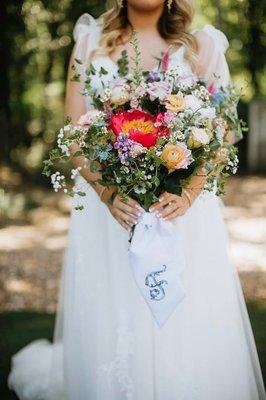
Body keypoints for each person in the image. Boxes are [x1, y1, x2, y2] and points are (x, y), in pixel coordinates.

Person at [8, 1, 266, 399]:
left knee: (185, 315)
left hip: (182, 212)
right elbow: (75, 130)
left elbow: (226, 130)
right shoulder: (91, 43)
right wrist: (108, 193)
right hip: (109, 213)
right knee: (114, 315)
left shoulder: (202, 45)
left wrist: (190, 192)